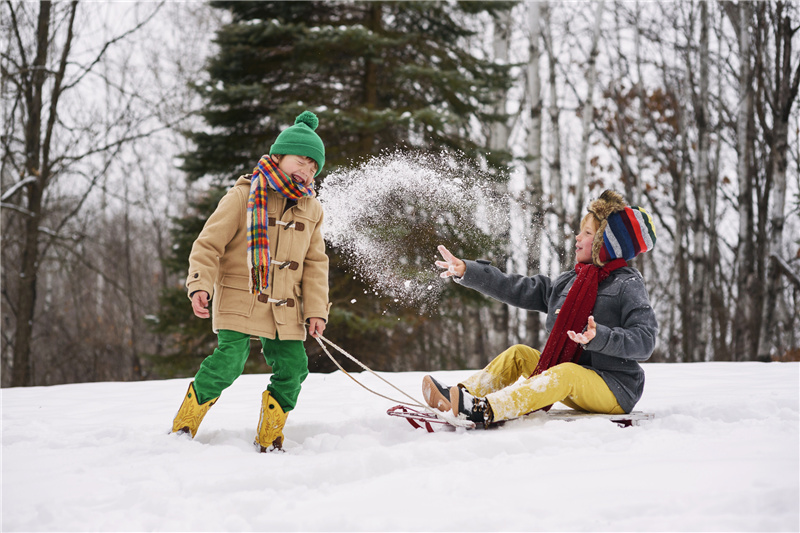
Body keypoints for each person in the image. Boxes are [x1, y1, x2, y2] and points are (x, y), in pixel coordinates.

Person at [423, 190, 658, 426]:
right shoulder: (571, 282)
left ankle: (486, 410)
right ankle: (461, 397)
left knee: (566, 372)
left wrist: (600, 337)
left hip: (615, 388)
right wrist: (468, 271)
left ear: (607, 244)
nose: (577, 237)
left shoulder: (627, 284)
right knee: (519, 354)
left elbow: (645, 341)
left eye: (587, 233)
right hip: (571, 379)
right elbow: (516, 287)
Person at [171, 111, 331, 452]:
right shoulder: (244, 195)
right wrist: (201, 284)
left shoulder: (312, 209)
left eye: (313, 167)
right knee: (230, 361)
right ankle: (185, 425)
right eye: (300, 161)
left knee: (294, 366)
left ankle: (269, 437)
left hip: (285, 304)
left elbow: (316, 264)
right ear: (278, 156)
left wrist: (316, 309)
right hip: (241, 294)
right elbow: (208, 243)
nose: (306, 171)